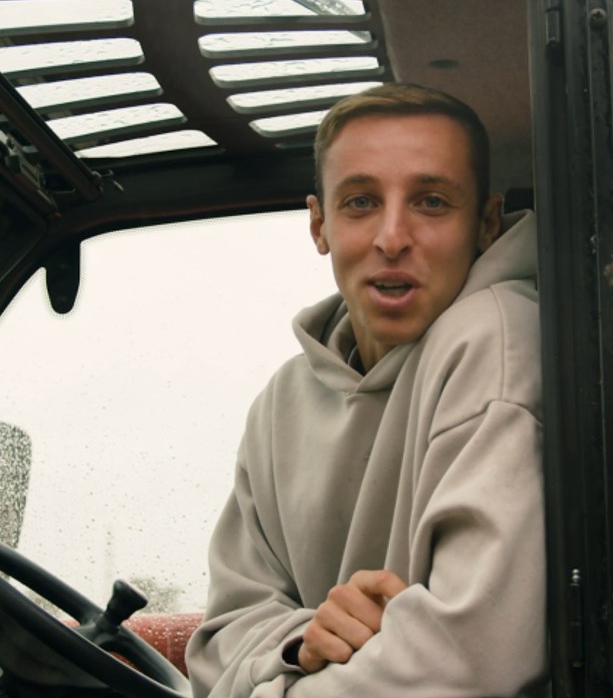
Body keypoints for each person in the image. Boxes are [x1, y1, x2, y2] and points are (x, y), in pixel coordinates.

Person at [185, 83, 545, 697]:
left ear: (485, 224)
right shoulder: (280, 403)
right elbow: (219, 641)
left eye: (431, 202)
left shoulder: (497, 339)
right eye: (360, 202)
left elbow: (470, 661)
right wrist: (302, 643)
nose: (392, 236)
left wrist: (275, 685)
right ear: (319, 223)